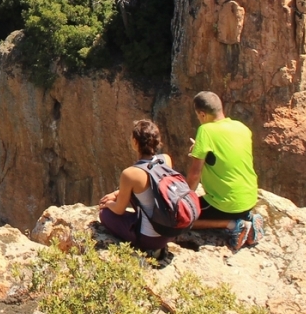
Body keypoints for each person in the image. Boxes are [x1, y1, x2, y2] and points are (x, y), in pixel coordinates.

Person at [184, 91, 263, 249]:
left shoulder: (206, 131)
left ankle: (233, 225)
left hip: (224, 204)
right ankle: (248, 220)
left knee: (181, 220)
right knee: (236, 208)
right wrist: (201, 151)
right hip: (249, 199)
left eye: (198, 117)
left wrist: (185, 201)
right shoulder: (242, 128)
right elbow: (228, 157)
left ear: (202, 114)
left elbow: (194, 174)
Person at [97, 120, 174, 254]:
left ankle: (150, 250)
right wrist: (117, 193)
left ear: (135, 142)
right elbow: (151, 187)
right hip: (169, 231)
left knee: (105, 214)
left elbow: (119, 210)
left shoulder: (130, 174)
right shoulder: (166, 160)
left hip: (149, 238)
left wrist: (109, 203)